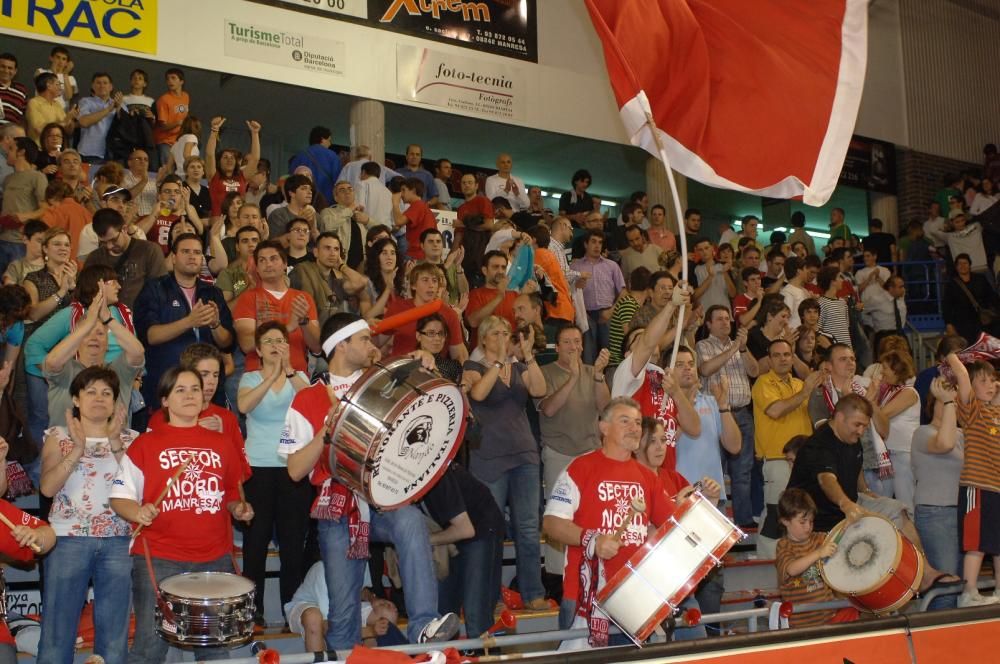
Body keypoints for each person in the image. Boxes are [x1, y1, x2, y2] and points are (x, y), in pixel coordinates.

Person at [280, 313, 460, 648]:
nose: (371, 344)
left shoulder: (382, 382)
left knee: (410, 520)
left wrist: (421, 362)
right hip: (337, 509)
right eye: (363, 338)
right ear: (341, 345)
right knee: (345, 611)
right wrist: (326, 431)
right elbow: (294, 470)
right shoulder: (308, 397)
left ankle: (423, 624)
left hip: (381, 498)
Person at [110, 367, 254, 663]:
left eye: (195, 389)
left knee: (215, 645)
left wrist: (239, 508)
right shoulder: (145, 444)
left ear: (204, 398)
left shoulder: (222, 443)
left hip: (214, 556)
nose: (189, 395)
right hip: (160, 555)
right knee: (151, 644)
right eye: (180, 390)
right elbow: (119, 499)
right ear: (164, 400)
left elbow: (231, 493)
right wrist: (138, 511)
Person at [542, 398, 681, 645]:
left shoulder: (646, 477)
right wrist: (592, 540)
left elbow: (674, 524)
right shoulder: (580, 468)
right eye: (624, 421)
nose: (634, 428)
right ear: (603, 428)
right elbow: (552, 523)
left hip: (634, 597)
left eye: (638, 422)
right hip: (584, 597)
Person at [786, 393, 955, 593]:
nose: (861, 430)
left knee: (896, 509)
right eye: (857, 424)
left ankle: (925, 573)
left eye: (865, 426)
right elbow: (826, 480)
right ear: (839, 417)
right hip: (818, 516)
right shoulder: (819, 445)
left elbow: (855, 465)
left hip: (849, 501)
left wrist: (864, 489)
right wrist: (847, 505)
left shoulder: (851, 438)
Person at [36, 366, 135, 664]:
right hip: (68, 539)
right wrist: (77, 449)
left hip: (119, 539)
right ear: (76, 400)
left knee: (114, 634)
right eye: (90, 391)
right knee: (57, 631)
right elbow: (47, 488)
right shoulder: (59, 436)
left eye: (106, 393)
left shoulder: (132, 438)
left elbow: (139, 490)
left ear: (117, 403)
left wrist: (116, 443)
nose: (99, 398)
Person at [462, 316, 549, 611]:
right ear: (484, 338)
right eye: (496, 332)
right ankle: (493, 596)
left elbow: (539, 390)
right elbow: (478, 394)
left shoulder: (519, 367)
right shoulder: (473, 368)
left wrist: (528, 356)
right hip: (489, 457)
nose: (502, 337)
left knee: (527, 526)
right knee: (492, 528)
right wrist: (498, 363)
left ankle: (533, 593)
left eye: (506, 333)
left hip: (524, 453)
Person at [237, 321, 311, 625]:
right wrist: (271, 378)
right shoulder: (249, 378)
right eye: (268, 341)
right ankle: (253, 613)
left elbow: (311, 404)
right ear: (258, 349)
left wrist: (289, 372)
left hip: (294, 467)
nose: (274, 346)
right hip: (258, 465)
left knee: (293, 543)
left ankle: (292, 609)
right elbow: (244, 406)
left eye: (280, 340)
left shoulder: (300, 377)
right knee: (256, 541)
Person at [538, 325, 610, 576]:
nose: (573, 347)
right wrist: (572, 377)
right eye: (567, 342)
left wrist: (598, 375)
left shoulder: (593, 372)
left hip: (591, 452)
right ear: (557, 347)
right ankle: (557, 575)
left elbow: (605, 407)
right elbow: (548, 409)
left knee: (591, 513)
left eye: (577, 342)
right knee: (559, 515)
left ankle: (592, 567)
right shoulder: (546, 373)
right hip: (559, 452)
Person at [752, 339, 820, 556]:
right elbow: (775, 410)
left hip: (803, 460)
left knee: (800, 513)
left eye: (787, 355)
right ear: (769, 360)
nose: (783, 359)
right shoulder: (763, 383)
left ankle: (795, 558)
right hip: (776, 459)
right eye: (777, 355)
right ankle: (765, 562)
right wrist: (804, 392)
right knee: (775, 513)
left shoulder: (800, 385)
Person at [945, 352, 1000, 607]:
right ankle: (968, 593)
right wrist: (956, 357)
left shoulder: (996, 414)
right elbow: (962, 375)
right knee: (976, 544)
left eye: (993, 381)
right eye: (984, 381)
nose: (991, 386)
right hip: (977, 488)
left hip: (997, 490)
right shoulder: (972, 411)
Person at [697, 306, 758, 526]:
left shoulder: (739, 348)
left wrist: (742, 349)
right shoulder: (703, 345)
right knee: (715, 471)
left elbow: (754, 371)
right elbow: (705, 370)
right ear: (709, 325)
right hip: (716, 415)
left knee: (743, 472)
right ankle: (717, 523)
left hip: (742, 413)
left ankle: (743, 520)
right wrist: (734, 348)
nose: (725, 323)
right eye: (719, 319)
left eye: (727, 319)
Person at [911, 377, 965, 610]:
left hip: (964, 511)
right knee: (945, 585)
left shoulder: (964, 436)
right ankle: (936, 641)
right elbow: (944, 444)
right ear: (932, 406)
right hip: (936, 513)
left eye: (953, 402)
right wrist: (951, 402)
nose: (950, 405)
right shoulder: (922, 433)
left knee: (961, 586)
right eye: (944, 402)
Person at [233, 241, 321, 372]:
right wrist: (288, 327)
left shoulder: (303, 298)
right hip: (260, 377)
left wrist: (303, 321)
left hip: (297, 375)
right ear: (256, 268)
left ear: (285, 264)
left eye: (273, 259)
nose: (268, 264)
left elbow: (317, 347)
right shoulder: (247, 298)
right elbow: (246, 344)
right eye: (262, 260)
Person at [774, 488, 857, 628]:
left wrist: (847, 525)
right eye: (802, 522)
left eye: (811, 521)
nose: (808, 527)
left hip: (829, 618)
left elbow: (839, 539)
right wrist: (818, 553)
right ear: (785, 521)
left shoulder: (819, 539)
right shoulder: (783, 546)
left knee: (857, 608)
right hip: (802, 626)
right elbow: (791, 570)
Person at [285, 561, 407, 651]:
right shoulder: (323, 571)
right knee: (313, 618)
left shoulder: (361, 560)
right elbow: (329, 626)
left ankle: (368, 658)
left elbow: (360, 590)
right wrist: (369, 631)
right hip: (308, 606)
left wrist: (373, 599)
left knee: (387, 612)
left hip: (344, 604)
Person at [384, 261, 467, 361]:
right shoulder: (397, 307)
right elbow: (378, 342)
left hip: (433, 371)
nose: (431, 285)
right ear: (413, 285)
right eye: (425, 280)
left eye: (434, 281)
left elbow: (459, 355)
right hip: (400, 370)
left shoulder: (449, 314)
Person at [85, 208, 167, 308]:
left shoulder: (149, 250)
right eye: (103, 242)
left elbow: (159, 291)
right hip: (105, 319)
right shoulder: (94, 258)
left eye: (113, 240)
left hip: (140, 318)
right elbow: (87, 294)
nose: (109, 246)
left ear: (124, 229)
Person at [873, 349, 920, 512]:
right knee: (883, 503)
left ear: (896, 369)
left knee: (906, 503)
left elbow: (883, 414)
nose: (882, 372)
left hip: (902, 456)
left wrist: (871, 397)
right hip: (887, 456)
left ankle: (912, 536)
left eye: (885, 368)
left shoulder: (909, 393)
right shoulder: (890, 393)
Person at [570, 229, 625, 363]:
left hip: (608, 314)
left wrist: (611, 311)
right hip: (585, 314)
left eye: (600, 243)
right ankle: (589, 382)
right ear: (585, 244)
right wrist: (577, 285)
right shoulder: (575, 266)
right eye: (593, 242)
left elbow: (623, 292)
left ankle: (609, 382)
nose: (597, 246)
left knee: (609, 356)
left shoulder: (612, 266)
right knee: (587, 355)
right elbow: (569, 292)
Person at [204, 116, 262, 217]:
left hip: (239, 223)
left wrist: (255, 133)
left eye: (232, 158)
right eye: (225, 157)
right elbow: (209, 154)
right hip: (219, 225)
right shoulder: (213, 176)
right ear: (219, 162)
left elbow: (255, 159)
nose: (229, 160)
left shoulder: (242, 177)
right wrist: (214, 130)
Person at [288, 126, 342, 203]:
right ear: (322, 139)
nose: (330, 144)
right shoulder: (333, 156)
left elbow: (291, 179)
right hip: (327, 200)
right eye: (329, 140)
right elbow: (338, 180)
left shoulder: (299, 156)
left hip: (302, 200)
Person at [390, 177, 437, 261]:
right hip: (423, 253)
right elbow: (398, 226)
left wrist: (395, 203)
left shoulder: (417, 205)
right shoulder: (422, 207)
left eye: (403, 190)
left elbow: (399, 221)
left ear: (413, 191)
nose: (401, 194)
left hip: (416, 254)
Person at [153, 67, 190, 170]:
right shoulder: (164, 100)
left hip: (179, 140)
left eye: (173, 78)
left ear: (181, 81)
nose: (170, 81)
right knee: (167, 170)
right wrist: (178, 123)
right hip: (165, 141)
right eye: (168, 79)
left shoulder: (186, 96)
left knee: (180, 169)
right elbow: (162, 126)